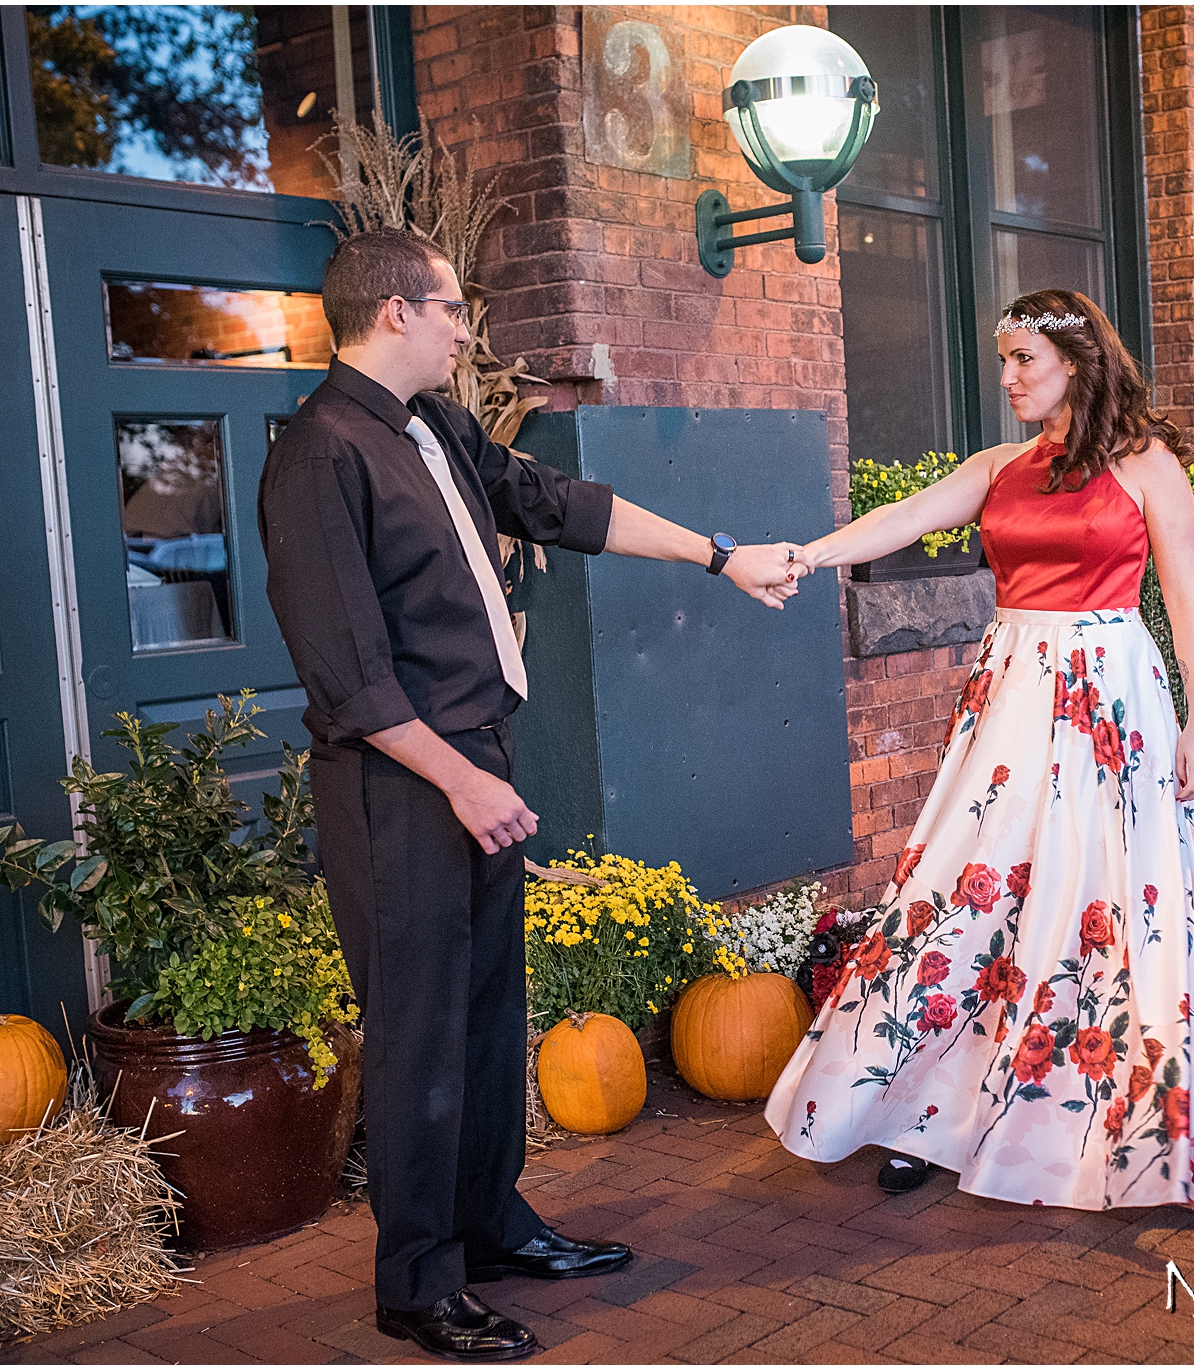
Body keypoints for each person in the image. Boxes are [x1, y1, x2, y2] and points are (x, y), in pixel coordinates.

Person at [258, 228, 799, 1362]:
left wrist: (720, 553)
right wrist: (459, 781)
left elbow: (559, 505)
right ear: (396, 311)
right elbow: (347, 673)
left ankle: (490, 1225)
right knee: (417, 1038)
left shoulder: (442, 428)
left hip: (472, 762)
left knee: (489, 1014)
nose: (467, 327)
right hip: (400, 784)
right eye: (454, 306)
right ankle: (415, 1283)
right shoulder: (317, 456)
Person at [761, 289, 1194, 1208]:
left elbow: (1183, 600)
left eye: (1025, 359)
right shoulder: (1001, 465)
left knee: (1097, 890)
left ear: (1076, 362)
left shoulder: (1149, 466)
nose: (1010, 377)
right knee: (968, 886)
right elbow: (903, 518)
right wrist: (810, 554)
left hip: (1113, 696)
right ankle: (923, 1112)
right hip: (1015, 694)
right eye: (1004, 360)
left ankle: (1087, 1116)